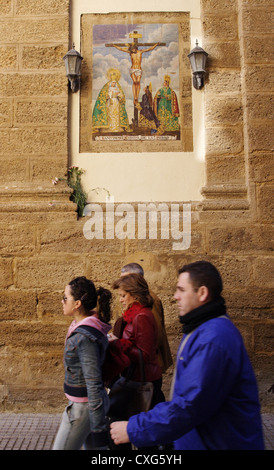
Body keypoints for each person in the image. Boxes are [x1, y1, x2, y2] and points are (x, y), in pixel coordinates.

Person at [110, 261, 265, 450]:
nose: (175, 297)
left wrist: (133, 429)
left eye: (182, 290)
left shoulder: (213, 339)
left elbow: (189, 405)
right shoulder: (199, 328)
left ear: (202, 293)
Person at [53, 276, 112, 450]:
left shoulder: (84, 337)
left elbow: (93, 382)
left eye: (65, 298)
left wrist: (99, 428)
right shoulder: (83, 326)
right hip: (84, 405)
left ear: (77, 303)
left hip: (84, 408)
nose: (62, 301)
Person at [108, 273, 163, 409]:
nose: (120, 300)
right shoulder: (133, 315)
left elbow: (145, 355)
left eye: (123, 295)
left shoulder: (142, 316)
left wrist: (118, 343)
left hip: (143, 381)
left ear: (135, 295)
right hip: (135, 378)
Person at [115, 262, 172, 375]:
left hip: (146, 370)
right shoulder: (133, 301)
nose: (122, 283)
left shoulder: (149, 300)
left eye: (127, 279)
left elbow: (155, 336)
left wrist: (122, 345)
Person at [92, 68, 130, 133]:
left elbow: (122, 96)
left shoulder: (118, 87)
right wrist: (109, 95)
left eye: (114, 83)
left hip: (116, 102)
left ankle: (116, 128)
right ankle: (108, 128)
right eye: (112, 83)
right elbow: (103, 96)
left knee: (116, 114)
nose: (113, 84)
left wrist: (119, 95)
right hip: (109, 102)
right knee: (110, 114)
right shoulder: (107, 87)